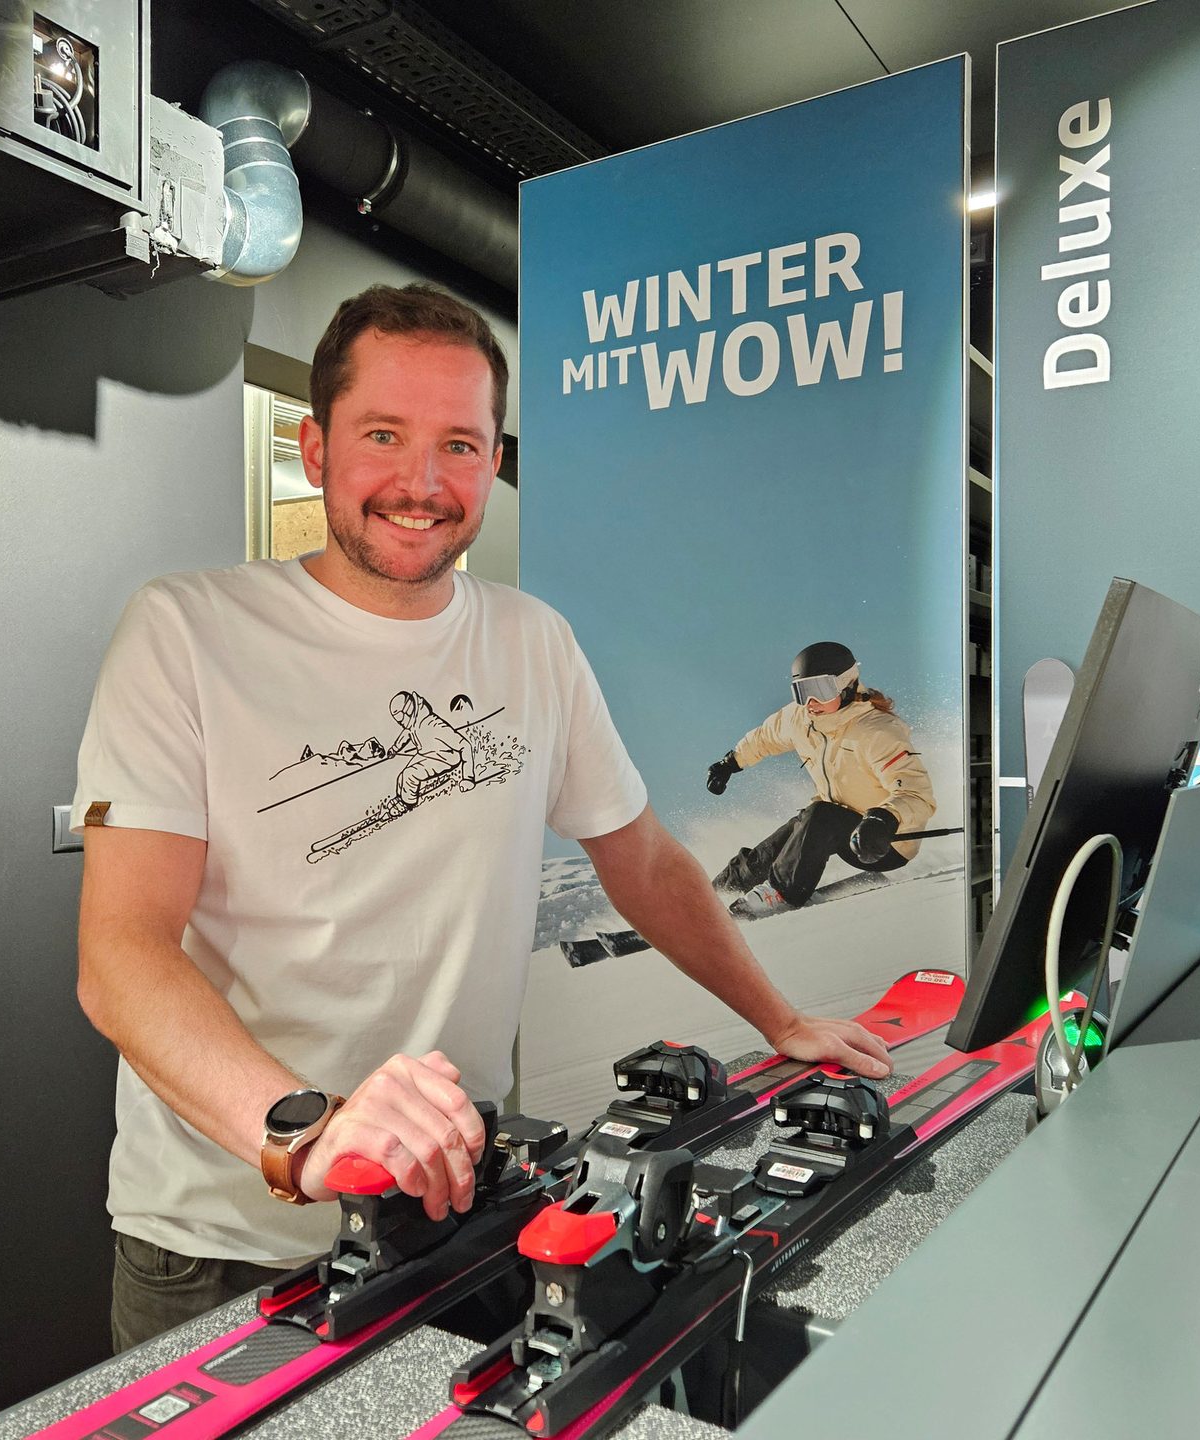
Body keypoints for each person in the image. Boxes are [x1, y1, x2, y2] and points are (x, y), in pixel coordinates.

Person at [70, 284, 894, 1353]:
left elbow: (644, 860)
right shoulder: (187, 631)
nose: (421, 483)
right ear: (315, 449)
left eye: (458, 445)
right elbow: (122, 951)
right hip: (225, 1245)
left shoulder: (532, 641)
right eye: (382, 435)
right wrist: (307, 1136)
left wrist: (778, 1017)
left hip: (462, 1213)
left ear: (494, 462)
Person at [706, 641, 937, 916]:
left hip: (882, 841)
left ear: (846, 685)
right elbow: (765, 737)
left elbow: (916, 793)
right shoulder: (800, 718)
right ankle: (713, 894)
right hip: (831, 823)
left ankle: (781, 893)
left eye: (821, 690)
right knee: (782, 841)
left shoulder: (877, 731)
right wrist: (730, 763)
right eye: (802, 691)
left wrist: (885, 818)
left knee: (820, 816)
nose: (811, 702)